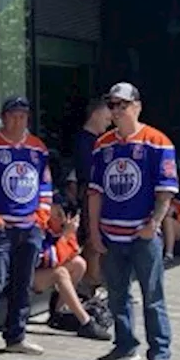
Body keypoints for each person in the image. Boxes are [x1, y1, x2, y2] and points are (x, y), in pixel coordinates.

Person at [87, 82, 176, 360]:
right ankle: (124, 346)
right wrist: (95, 232)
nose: (116, 111)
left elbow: (165, 191)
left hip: (142, 234)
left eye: (122, 105)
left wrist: (153, 224)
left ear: (137, 106)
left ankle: (160, 354)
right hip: (112, 235)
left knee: (153, 296)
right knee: (116, 295)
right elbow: (95, 191)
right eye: (112, 105)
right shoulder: (103, 145)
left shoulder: (157, 142)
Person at [0, 96, 52, 360]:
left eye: (23, 115)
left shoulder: (38, 148)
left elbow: (45, 186)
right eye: (13, 115)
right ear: (4, 117)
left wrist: (41, 216)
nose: (18, 120)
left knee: (22, 283)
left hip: (30, 227)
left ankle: (16, 336)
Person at [35, 203, 112, 340]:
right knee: (60, 273)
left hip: (43, 271)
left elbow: (73, 253)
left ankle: (58, 312)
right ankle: (86, 322)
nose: (61, 218)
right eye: (57, 214)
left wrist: (67, 235)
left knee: (79, 264)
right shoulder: (40, 224)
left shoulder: (60, 228)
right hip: (25, 274)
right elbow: (48, 259)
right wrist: (64, 236)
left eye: (63, 215)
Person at [75, 99, 113, 288]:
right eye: (106, 118)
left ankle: (96, 279)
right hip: (90, 196)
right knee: (92, 239)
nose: (109, 123)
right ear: (95, 114)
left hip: (101, 196)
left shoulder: (100, 142)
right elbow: (86, 172)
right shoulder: (84, 142)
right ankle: (92, 279)